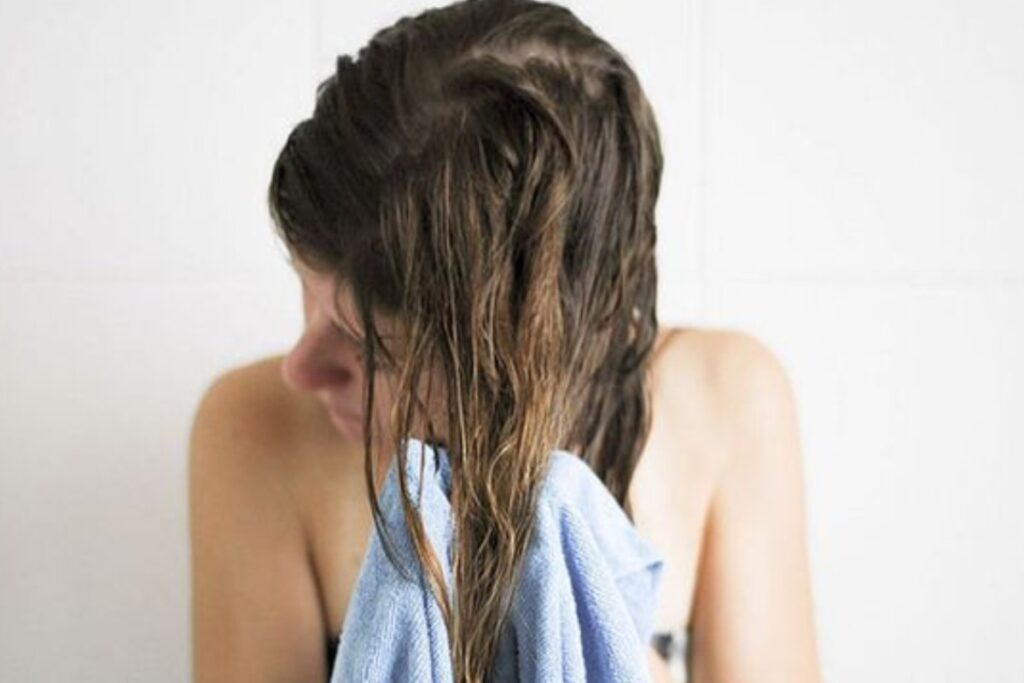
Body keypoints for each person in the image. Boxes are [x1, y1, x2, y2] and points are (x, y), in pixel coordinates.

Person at [188, 0, 822, 681]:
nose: (301, 370)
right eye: (307, 295)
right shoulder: (254, 428)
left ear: (525, 343)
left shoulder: (727, 401)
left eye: (371, 349)